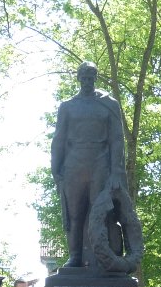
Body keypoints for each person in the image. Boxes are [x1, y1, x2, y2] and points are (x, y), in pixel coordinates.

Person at [50, 61, 127, 268]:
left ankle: (103, 257)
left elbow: (117, 139)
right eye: (83, 78)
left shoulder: (108, 104)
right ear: (78, 79)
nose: (87, 82)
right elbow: (59, 139)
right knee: (75, 214)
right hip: (74, 164)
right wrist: (55, 169)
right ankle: (75, 256)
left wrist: (116, 172)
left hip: (100, 163)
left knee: (101, 212)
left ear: (95, 79)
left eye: (90, 78)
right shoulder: (67, 106)